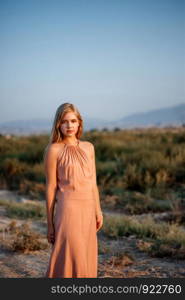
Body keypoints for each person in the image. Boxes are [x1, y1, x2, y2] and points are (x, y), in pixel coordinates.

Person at [43, 103, 103, 278]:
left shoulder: (89, 147)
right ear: (58, 125)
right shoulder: (53, 150)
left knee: (85, 254)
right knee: (71, 255)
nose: (69, 125)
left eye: (73, 121)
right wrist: (49, 223)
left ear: (79, 123)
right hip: (68, 210)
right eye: (64, 121)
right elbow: (50, 187)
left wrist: (98, 210)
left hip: (88, 209)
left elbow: (93, 182)